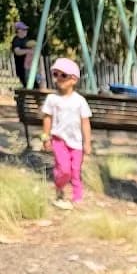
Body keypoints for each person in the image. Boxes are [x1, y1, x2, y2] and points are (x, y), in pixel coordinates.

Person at [41, 58, 92, 209]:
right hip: (59, 139)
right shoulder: (52, 99)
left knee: (75, 170)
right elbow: (47, 118)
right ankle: (59, 187)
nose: (58, 78)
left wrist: (87, 142)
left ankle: (77, 198)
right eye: (56, 74)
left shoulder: (80, 101)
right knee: (64, 169)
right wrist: (46, 137)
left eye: (63, 75)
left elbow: (85, 122)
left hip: (76, 143)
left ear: (73, 79)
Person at [11, 21, 30, 86]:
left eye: (26, 29)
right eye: (24, 29)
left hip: (29, 68)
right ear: (18, 30)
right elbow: (17, 52)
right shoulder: (16, 40)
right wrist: (28, 51)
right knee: (28, 86)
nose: (26, 31)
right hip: (22, 69)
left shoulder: (26, 39)